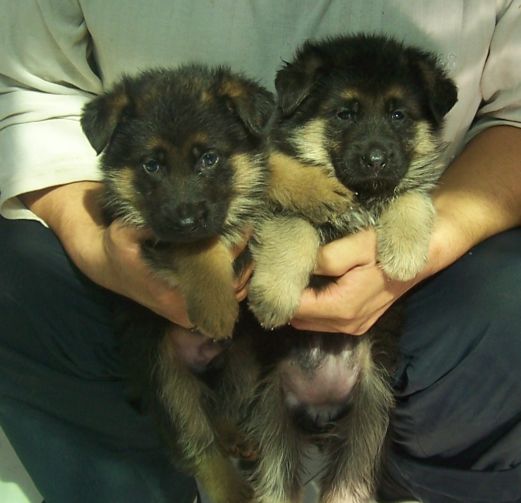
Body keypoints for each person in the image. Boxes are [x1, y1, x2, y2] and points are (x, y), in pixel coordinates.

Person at [0, 1, 520, 502]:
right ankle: (155, 481)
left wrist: (439, 238)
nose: (376, 144)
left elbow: (513, 115)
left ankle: (410, 483)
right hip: (207, 283)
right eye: (345, 114)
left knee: (506, 305)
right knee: (16, 281)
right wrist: (95, 247)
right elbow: (31, 96)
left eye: (398, 115)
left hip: (434, 250)